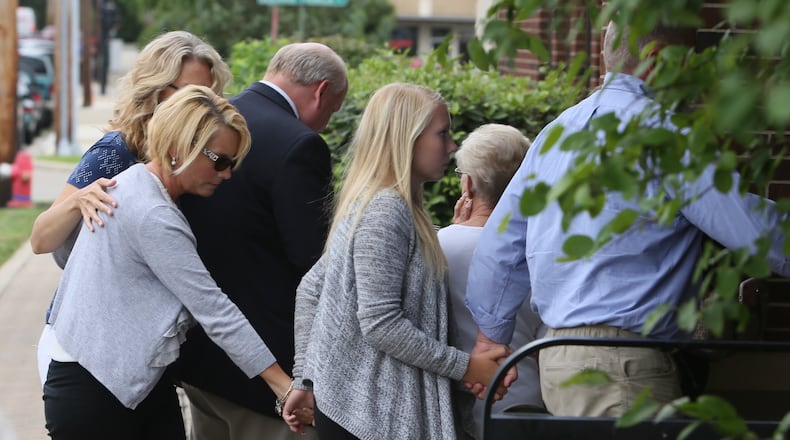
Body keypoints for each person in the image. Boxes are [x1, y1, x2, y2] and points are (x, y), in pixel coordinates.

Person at [465, 20, 790, 418]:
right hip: (621, 366)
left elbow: (499, 250)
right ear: (658, 58)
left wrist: (489, 342)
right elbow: (752, 229)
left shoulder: (557, 134)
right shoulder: (664, 135)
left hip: (557, 358)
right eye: (689, 61)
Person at [43, 85, 296, 439]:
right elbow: (214, 310)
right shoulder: (153, 215)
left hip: (121, 383)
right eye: (220, 161)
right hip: (96, 394)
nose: (227, 174)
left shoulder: (133, 181)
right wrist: (283, 386)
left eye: (233, 163)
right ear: (179, 149)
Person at [282, 82, 509, 440]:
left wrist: (305, 377)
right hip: (371, 417)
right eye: (443, 134)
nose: (452, 146)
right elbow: (380, 323)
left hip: (359, 410)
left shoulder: (382, 204)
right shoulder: (386, 210)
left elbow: (311, 288)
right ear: (408, 137)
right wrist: (467, 367)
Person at [30, 30, 232, 386]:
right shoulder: (115, 153)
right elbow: (40, 240)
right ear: (155, 90)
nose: (198, 107)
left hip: (145, 349)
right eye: (187, 93)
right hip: (84, 351)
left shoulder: (201, 161)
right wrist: (79, 200)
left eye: (207, 95)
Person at [175, 42, 348, 440]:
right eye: (332, 110)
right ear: (321, 92)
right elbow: (312, 261)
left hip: (200, 355)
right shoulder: (301, 145)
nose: (324, 123)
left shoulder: (206, 117)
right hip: (269, 370)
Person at [438, 123, 545, 437]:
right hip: (530, 399)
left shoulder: (437, 248)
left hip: (456, 407)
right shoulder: (541, 251)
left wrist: (454, 230)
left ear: (468, 185)